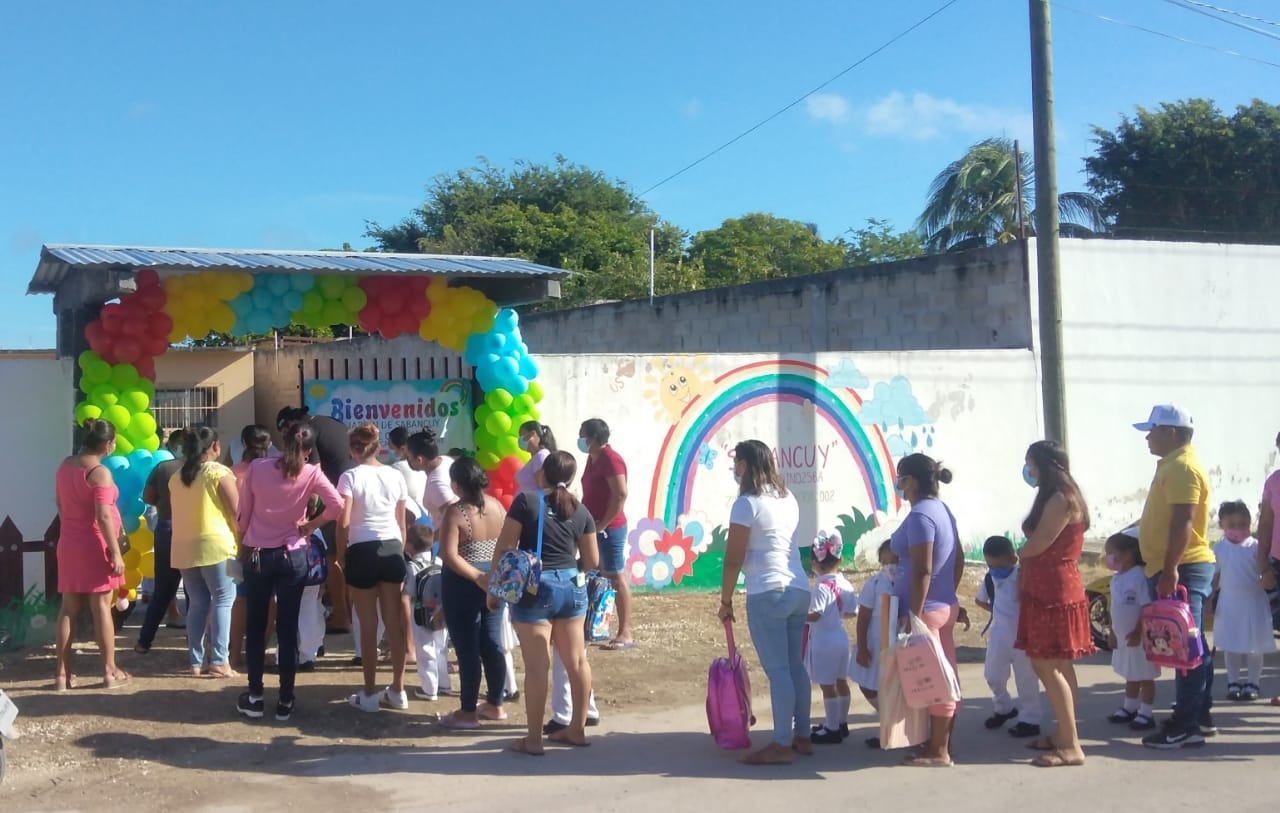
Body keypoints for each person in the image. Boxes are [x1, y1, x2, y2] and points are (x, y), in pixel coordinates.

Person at [489, 451, 599, 755]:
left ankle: (534, 740)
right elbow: (592, 561)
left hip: (535, 590)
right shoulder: (581, 511)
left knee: (538, 668)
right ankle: (576, 729)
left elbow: (506, 546)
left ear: (542, 473)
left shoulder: (527, 501)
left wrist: (494, 589)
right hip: (572, 588)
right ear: (573, 477)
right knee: (577, 662)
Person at [236, 423, 343, 721]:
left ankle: (255, 696)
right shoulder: (311, 473)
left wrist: (242, 542)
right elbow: (337, 505)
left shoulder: (257, 468)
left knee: (257, 628)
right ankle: (285, 699)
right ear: (309, 452)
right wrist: (311, 526)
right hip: (293, 555)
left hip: (258, 554)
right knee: (287, 628)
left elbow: (243, 514)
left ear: (282, 443)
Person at [718, 439, 810, 766]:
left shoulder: (747, 503)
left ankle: (781, 743)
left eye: (736, 462)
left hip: (767, 592)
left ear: (744, 465)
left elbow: (733, 558)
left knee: (779, 670)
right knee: (795, 665)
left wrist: (726, 599)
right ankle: (802, 734)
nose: (734, 468)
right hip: (798, 587)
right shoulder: (788, 497)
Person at [1132, 404, 1216, 748]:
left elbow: (1183, 520)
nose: (1148, 437)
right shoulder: (1173, 464)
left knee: (1184, 650)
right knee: (1192, 645)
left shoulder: (1181, 466)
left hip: (1182, 568)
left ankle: (1186, 725)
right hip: (1173, 567)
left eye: (1152, 430)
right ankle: (1198, 714)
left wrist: (1170, 570)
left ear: (1171, 432)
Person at [1015, 440, 1093, 767]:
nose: (1027, 470)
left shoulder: (1061, 498)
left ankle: (1071, 745)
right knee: (1057, 663)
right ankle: (1064, 732)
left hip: (1053, 588)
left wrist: (1017, 554)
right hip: (1046, 584)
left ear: (1044, 464)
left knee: (1047, 663)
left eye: (1030, 463)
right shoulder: (1057, 495)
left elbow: (1041, 542)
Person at [888, 453, 963, 767]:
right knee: (944, 677)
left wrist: (915, 615)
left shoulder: (921, 516)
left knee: (934, 683)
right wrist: (949, 593)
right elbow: (957, 558)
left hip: (927, 611)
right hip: (942, 604)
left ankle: (939, 751)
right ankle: (936, 743)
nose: (899, 485)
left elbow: (922, 569)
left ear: (911, 481)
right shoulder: (942, 510)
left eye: (900, 479)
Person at [339, 423, 411, 713]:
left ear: (354, 450)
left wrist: (342, 556)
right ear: (378, 447)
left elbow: (343, 522)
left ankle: (369, 693)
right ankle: (398, 689)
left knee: (367, 627)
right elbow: (402, 522)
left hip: (361, 548)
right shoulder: (395, 476)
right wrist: (400, 551)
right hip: (392, 546)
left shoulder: (349, 477)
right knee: (394, 623)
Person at [53, 418, 129, 690]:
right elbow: (104, 515)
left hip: (69, 542)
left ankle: (61, 675)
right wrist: (115, 552)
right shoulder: (99, 473)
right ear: (108, 445)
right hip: (95, 544)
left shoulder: (64, 466)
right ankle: (109, 671)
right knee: (101, 608)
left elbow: (60, 504)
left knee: (67, 609)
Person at [435, 457, 507, 729]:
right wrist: (489, 576)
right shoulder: (497, 507)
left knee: (467, 649)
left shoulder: (456, 512)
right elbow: (506, 543)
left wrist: (476, 576)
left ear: (456, 484)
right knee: (491, 642)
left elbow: (449, 554)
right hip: (493, 577)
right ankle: (495, 704)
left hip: (464, 582)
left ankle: (467, 712)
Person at [169, 426, 239, 679]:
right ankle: (219, 660)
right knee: (223, 599)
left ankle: (195, 662)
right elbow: (236, 513)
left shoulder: (176, 477)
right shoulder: (218, 472)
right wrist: (243, 543)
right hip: (217, 546)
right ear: (215, 447)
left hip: (184, 547)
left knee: (197, 603)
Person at [276, 406, 354, 633]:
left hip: (336, 496)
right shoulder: (331, 423)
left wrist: (308, 513)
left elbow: (314, 476)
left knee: (333, 558)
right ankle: (348, 614)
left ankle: (341, 616)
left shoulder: (310, 429)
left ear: (293, 424)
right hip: (350, 492)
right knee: (345, 557)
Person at [976, 535, 1042, 738]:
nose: (996, 570)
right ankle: (1003, 707)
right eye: (990, 565)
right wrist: (996, 611)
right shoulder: (990, 578)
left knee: (1026, 678)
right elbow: (980, 601)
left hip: (1024, 635)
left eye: (999, 565)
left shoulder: (1023, 576)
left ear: (1012, 559)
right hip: (999, 633)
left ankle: (1030, 719)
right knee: (993, 675)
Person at [1211, 501, 1274, 702]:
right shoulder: (1219, 549)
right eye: (1232, 525)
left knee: (1254, 646)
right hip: (1229, 604)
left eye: (1243, 524)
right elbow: (1215, 577)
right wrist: (1209, 599)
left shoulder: (1257, 547)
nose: (1238, 529)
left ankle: (1253, 682)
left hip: (1253, 602)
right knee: (1231, 645)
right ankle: (1234, 682)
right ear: (1222, 524)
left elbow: (1265, 571)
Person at [578, 419, 633, 650]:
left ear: (592, 437)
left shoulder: (611, 459)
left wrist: (603, 524)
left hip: (610, 528)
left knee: (615, 576)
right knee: (598, 575)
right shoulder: (592, 458)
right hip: (594, 526)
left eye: (582, 435)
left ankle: (625, 631)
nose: (580, 439)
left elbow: (620, 494)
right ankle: (599, 626)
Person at [134, 428, 188, 655]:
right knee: (196, 593)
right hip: (194, 531)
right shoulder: (201, 469)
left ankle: (144, 642)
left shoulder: (162, 468)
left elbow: (147, 497)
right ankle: (195, 643)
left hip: (166, 527)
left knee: (162, 590)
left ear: (173, 446)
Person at [1103, 529, 1160, 731]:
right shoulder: (1116, 578)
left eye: (1111, 552)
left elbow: (1146, 606)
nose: (1107, 557)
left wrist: (1138, 631)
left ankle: (1146, 712)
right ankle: (1130, 707)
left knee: (1145, 675)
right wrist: (1111, 631)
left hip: (1140, 638)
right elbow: (1114, 607)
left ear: (1128, 554)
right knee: (1131, 673)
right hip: (1123, 637)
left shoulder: (1140, 576)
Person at [229, 425, 275, 669]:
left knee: (241, 600)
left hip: (239, 543)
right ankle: (258, 651)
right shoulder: (275, 472)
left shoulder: (232, 474)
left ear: (243, 445)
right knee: (270, 600)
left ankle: (235, 654)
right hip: (271, 541)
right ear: (268, 446)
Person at [804, 531, 854, 745]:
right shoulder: (845, 584)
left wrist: (797, 616)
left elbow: (815, 614)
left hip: (824, 641)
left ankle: (832, 728)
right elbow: (852, 611)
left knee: (827, 686)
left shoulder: (822, 587)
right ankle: (842, 723)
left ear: (814, 562)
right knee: (841, 681)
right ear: (840, 559)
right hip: (841, 637)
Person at [850, 539, 898, 748]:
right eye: (886, 561)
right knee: (869, 684)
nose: (891, 565)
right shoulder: (875, 584)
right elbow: (863, 617)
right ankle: (889, 720)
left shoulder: (909, 583)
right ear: (879, 562)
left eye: (896, 560)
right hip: (877, 645)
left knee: (898, 688)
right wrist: (862, 647)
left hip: (902, 645)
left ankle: (894, 729)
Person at [404, 524, 451, 700]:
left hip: (421, 614)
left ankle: (429, 688)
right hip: (441, 612)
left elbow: (409, 592)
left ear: (410, 546)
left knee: (425, 650)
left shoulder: (412, 566)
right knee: (441, 647)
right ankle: (444, 684)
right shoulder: (438, 562)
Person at [405, 429, 457, 533]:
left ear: (419, 460)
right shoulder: (445, 460)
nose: (408, 461)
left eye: (409, 458)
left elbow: (453, 520)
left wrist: (431, 541)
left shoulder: (436, 485)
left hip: (448, 539)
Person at [389, 426, 428, 525]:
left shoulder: (396, 468)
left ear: (402, 449)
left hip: (411, 519)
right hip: (426, 516)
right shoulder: (421, 464)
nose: (389, 451)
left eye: (391, 448)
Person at [516, 421, 555, 491]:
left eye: (521, 435)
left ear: (532, 434)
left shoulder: (541, 455)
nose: (519, 440)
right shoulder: (536, 456)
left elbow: (542, 487)